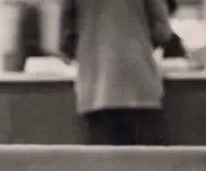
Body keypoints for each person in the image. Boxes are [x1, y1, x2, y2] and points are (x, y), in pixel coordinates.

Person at [59, 0, 181, 146]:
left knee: (103, 165)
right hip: (139, 87)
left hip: (95, 93)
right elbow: (162, 31)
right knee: (145, 164)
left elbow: (66, 40)